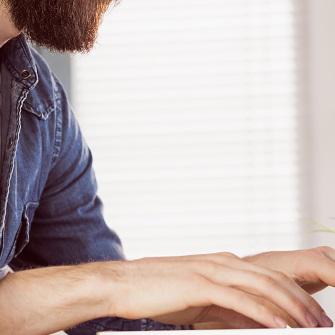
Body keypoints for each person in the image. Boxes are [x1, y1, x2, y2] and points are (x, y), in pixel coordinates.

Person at [0, 1, 334, 334]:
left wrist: (221, 292)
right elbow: (109, 290)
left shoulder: (43, 108)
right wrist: (116, 284)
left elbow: (104, 314)